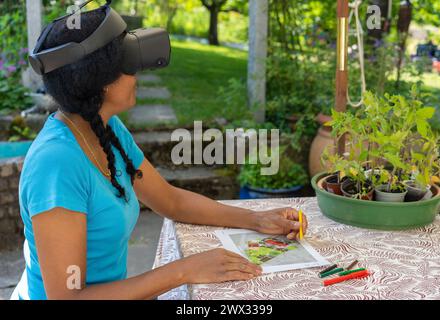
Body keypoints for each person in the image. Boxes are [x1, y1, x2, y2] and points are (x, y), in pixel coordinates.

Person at [12, 7, 307, 300]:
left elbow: (171, 201)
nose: (137, 73)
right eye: (127, 63)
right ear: (96, 81)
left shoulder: (104, 129)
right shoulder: (57, 164)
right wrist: (182, 271)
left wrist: (256, 220)